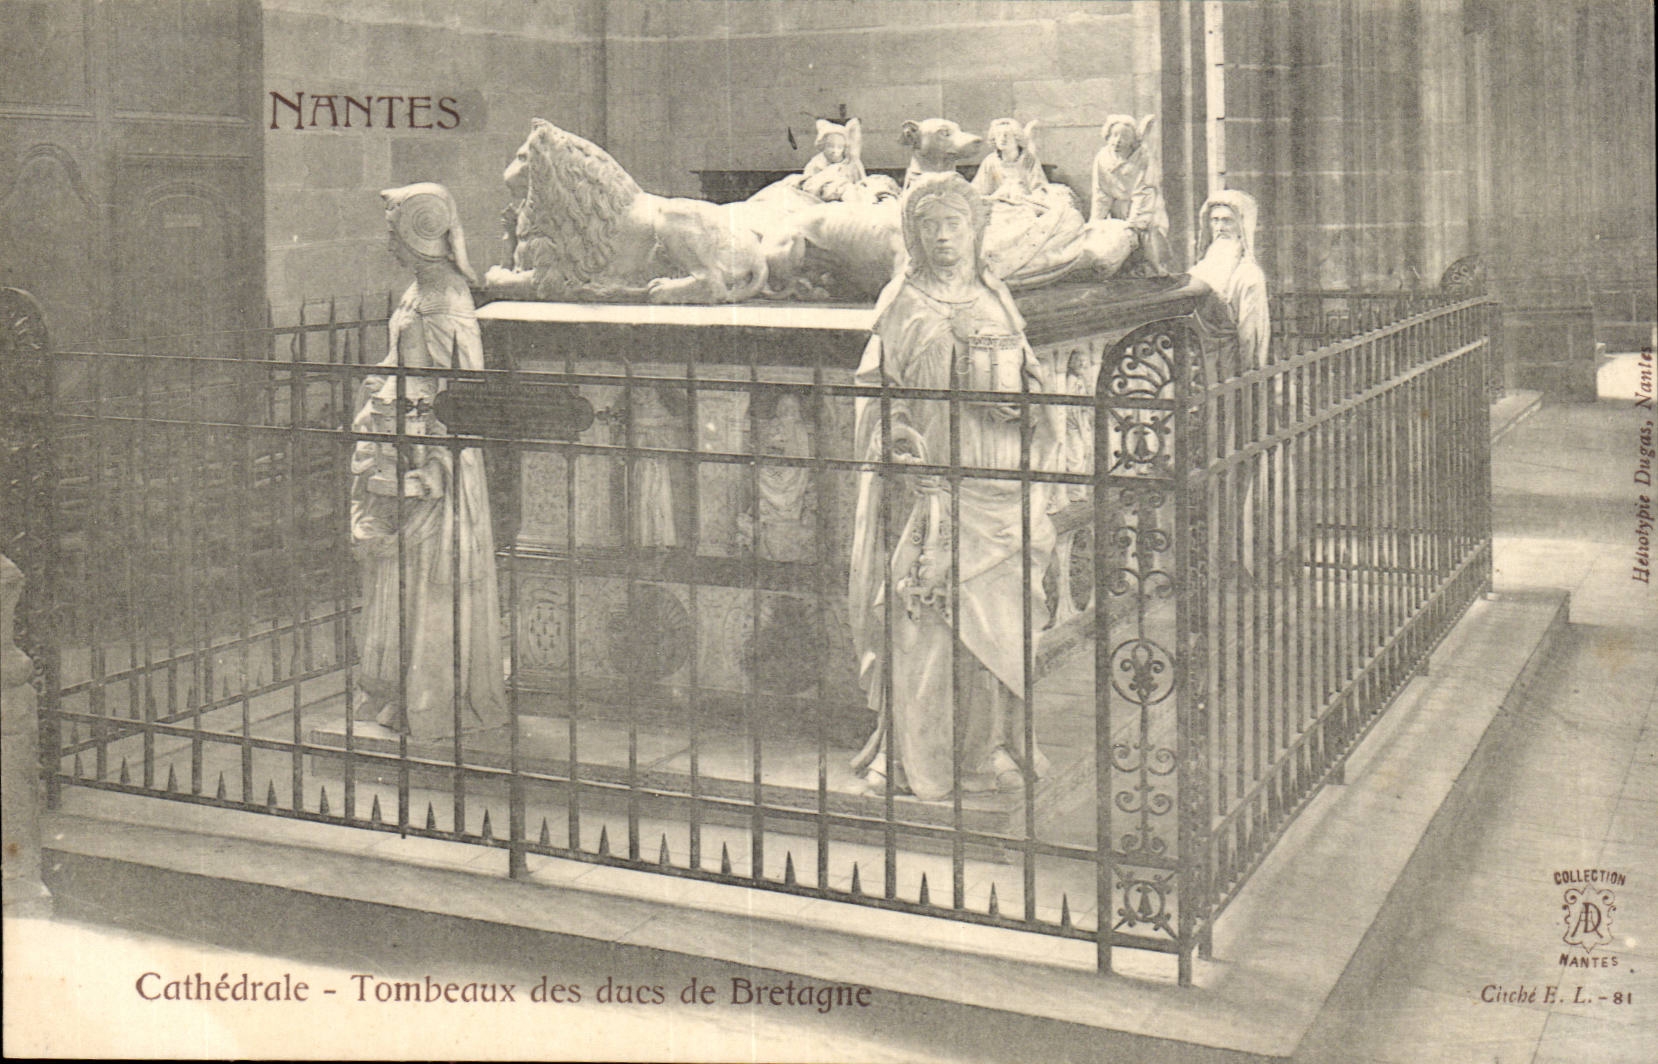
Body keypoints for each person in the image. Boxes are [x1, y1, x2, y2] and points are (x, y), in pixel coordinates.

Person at [847, 173, 1060, 801]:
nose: (942, 238)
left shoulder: (998, 300)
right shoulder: (902, 303)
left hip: (998, 482)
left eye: (954, 225)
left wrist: (1026, 408)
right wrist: (896, 441)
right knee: (919, 627)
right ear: (914, 236)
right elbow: (873, 394)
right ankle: (908, 753)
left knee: (997, 626)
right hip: (932, 490)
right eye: (929, 227)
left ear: (974, 231)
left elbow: (1036, 383)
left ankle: (988, 747)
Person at [350, 182, 507, 739]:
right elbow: (401, 368)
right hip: (400, 439)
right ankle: (397, 693)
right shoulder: (417, 293)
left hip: (435, 455)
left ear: (420, 235)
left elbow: (461, 394)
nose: (388, 243)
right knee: (400, 579)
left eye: (395, 232)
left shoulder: (446, 301)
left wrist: (434, 458)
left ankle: (433, 698)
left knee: (432, 581)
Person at [1188, 188, 1290, 580]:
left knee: (1230, 456)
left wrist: (1249, 380)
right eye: (1214, 221)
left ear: (1243, 225)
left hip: (1231, 376)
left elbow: (1252, 338)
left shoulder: (1248, 275)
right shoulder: (1202, 266)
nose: (1219, 228)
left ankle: (1230, 554)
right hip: (1200, 369)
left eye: (1227, 221)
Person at [1088, 114, 1171, 274]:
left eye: (1124, 136)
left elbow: (1144, 191)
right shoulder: (1102, 158)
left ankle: (1155, 272)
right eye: (1114, 135)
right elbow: (1101, 193)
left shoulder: (1142, 157)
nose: (1117, 141)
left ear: (1133, 140)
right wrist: (1095, 221)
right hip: (1119, 210)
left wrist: (1134, 224)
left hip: (1145, 207)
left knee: (1147, 245)